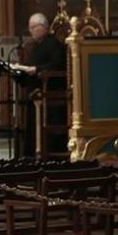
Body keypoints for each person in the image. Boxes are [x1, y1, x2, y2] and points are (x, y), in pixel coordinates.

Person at [19, 13, 67, 156]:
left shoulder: (54, 44)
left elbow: (57, 64)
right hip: (35, 95)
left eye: (33, 27)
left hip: (50, 96)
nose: (31, 31)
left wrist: (37, 69)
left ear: (44, 27)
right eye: (30, 28)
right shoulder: (35, 46)